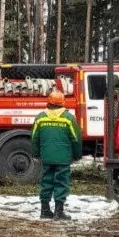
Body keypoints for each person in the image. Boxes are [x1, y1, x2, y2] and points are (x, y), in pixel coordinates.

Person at [31, 90, 82, 220]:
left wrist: (36, 154)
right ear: (62, 103)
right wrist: (77, 155)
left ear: (49, 102)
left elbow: (34, 138)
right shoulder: (68, 118)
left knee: (46, 182)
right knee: (61, 183)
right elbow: (76, 139)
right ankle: (59, 212)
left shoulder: (40, 117)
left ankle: (45, 210)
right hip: (63, 158)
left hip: (46, 157)